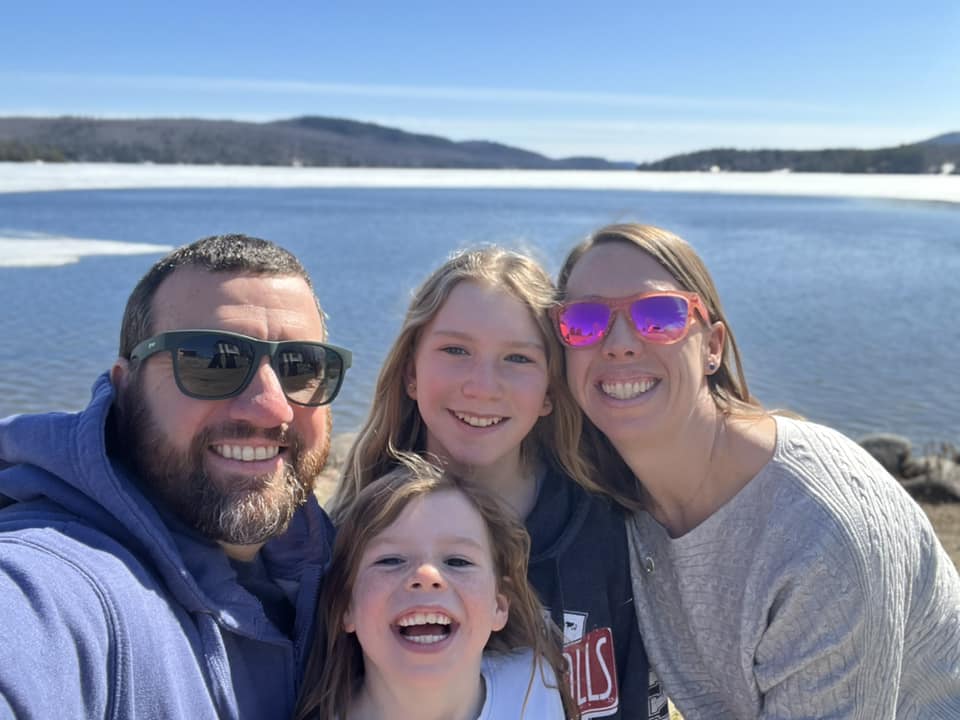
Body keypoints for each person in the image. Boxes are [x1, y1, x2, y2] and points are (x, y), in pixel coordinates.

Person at [553, 222, 960, 719]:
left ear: (712, 347)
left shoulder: (817, 532)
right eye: (585, 321)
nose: (618, 343)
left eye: (659, 316)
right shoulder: (615, 496)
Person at [0, 234, 353, 719]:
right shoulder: (51, 587)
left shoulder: (338, 570)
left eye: (300, 367)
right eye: (212, 362)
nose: (272, 408)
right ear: (127, 387)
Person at [330, 246, 667, 720]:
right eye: (455, 350)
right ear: (410, 372)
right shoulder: (356, 537)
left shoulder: (608, 526)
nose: (482, 386)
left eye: (518, 358)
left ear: (551, 391)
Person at [296, 453, 574, 719]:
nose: (427, 574)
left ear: (499, 605)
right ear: (346, 605)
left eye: (457, 561)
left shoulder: (533, 682)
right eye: (391, 560)